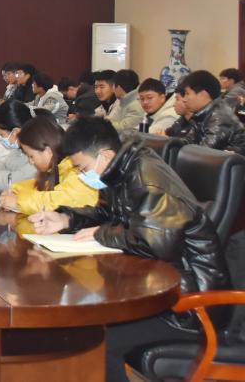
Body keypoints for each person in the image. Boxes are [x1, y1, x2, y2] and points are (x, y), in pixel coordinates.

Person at [30, 117, 228, 380]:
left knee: (94, 343)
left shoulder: (148, 179)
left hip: (188, 307)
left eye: (82, 168)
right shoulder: (119, 170)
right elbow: (108, 213)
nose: (82, 175)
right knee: (76, 330)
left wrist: (101, 233)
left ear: (105, 155)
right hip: (156, 290)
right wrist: (66, 219)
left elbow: (155, 241)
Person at [0, 114, 97, 215]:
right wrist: (16, 191)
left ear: (48, 151)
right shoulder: (61, 168)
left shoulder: (78, 170)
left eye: (31, 156)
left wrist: (18, 202)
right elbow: (40, 187)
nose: (31, 162)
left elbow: (58, 201)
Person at [180, 70, 245, 154]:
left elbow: (204, 153)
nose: (184, 99)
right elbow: (188, 141)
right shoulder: (202, 114)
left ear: (203, 94)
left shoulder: (219, 117)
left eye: (187, 94)